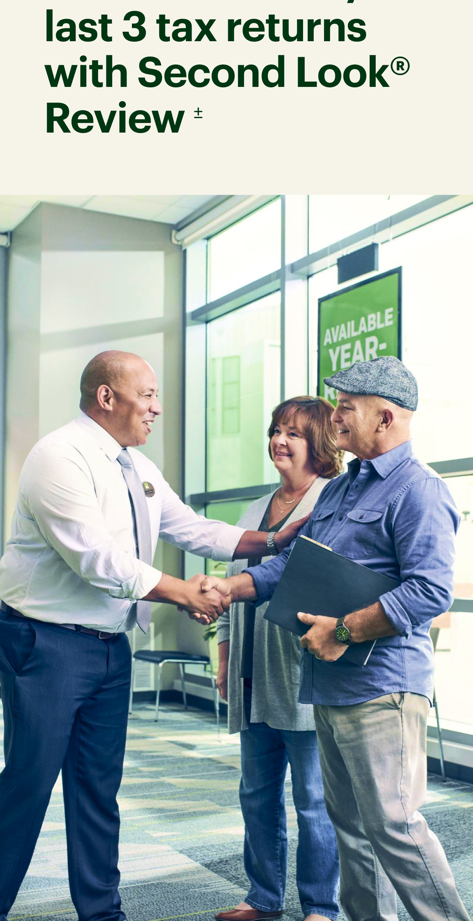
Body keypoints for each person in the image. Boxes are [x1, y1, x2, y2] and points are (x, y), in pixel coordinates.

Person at [0, 350, 305, 921]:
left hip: (110, 647)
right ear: (106, 397)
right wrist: (183, 592)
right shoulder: (58, 457)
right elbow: (96, 559)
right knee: (27, 785)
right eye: (148, 395)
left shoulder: (135, 466)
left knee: (97, 791)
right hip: (44, 645)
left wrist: (274, 540)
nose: (157, 408)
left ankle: (102, 912)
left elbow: (189, 526)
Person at [205, 358, 471, 921]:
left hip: (383, 689)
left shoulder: (419, 490)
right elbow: (296, 564)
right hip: (327, 684)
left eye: (347, 405)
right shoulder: (341, 488)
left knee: (394, 827)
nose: (337, 415)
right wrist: (233, 585)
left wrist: (345, 630)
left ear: (387, 417)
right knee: (350, 829)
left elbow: (429, 592)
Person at [215, 397, 342, 921]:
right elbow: (229, 583)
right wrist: (224, 659)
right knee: (256, 793)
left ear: (318, 441)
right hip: (251, 672)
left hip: (302, 673)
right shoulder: (255, 509)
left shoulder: (330, 499)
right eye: (275, 431)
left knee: (314, 801)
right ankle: (263, 897)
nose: (279, 441)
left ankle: (320, 907)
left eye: (293, 432)